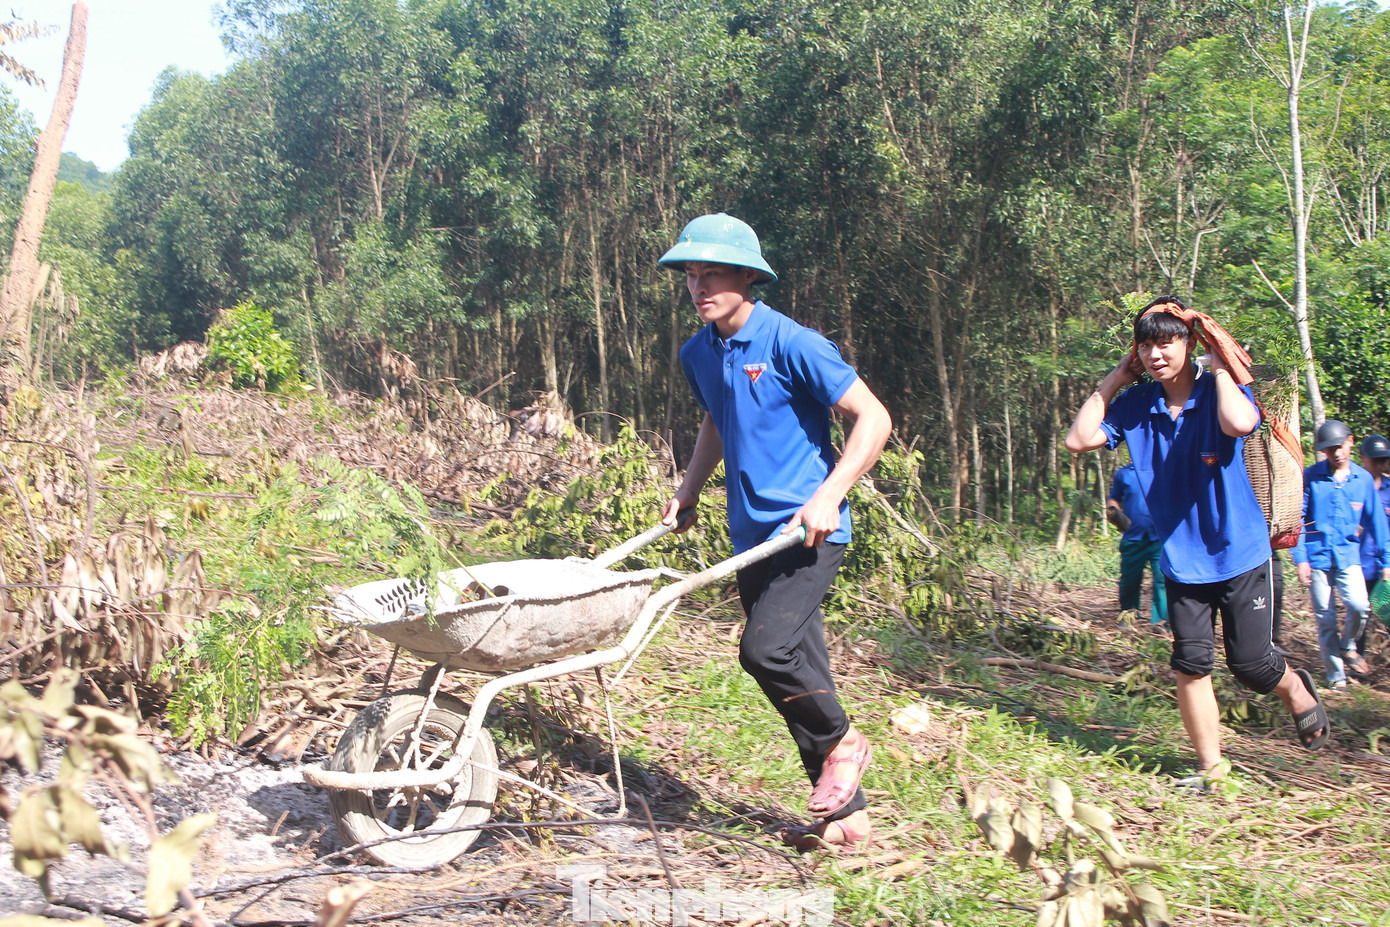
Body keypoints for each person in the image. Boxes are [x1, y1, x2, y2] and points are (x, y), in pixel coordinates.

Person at [655, 213, 892, 852]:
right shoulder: (698, 352)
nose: (699, 286)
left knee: (765, 652)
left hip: (809, 532)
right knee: (797, 667)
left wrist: (830, 494)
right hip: (751, 536)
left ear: (748, 277)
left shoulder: (794, 343)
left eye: (713, 274)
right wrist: (689, 490)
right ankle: (848, 822)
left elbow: (873, 417)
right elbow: (716, 420)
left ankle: (844, 744)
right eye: (690, 275)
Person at [1065, 295, 1330, 783]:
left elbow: (1240, 423)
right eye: (1145, 346)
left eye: (1166, 342)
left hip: (1242, 552)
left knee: (1251, 665)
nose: (1154, 355)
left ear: (1190, 342)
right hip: (1182, 559)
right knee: (1191, 664)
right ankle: (1212, 769)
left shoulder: (1217, 392)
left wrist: (1222, 365)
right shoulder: (1136, 405)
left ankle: (1296, 692)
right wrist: (1115, 379)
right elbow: (1078, 439)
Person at [1292, 421, 1390, 687]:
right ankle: (1336, 678)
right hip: (1318, 558)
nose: (1336, 453)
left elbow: (1376, 523)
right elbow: (1298, 520)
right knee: (1325, 621)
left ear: (1351, 441)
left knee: (1360, 605)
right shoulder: (1311, 477)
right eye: (1329, 449)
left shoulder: (1363, 480)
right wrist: (1300, 560)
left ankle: (1348, 645)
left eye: (1339, 446)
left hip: (1348, 557)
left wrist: (1386, 562)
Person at [1107, 462, 1168, 629]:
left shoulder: (1163, 468)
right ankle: (1128, 616)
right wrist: (1113, 511)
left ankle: (1162, 622)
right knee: (1130, 580)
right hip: (1133, 537)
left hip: (1160, 537)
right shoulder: (1124, 473)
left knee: (1163, 579)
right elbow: (1114, 497)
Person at [1357, 433, 1390, 655]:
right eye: (1374, 460)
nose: (1379, 465)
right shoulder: (1353, 486)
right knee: (1360, 616)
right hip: (1359, 565)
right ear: (1362, 458)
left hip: (1384, 567)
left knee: (1387, 613)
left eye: (1383, 460)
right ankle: (1356, 661)